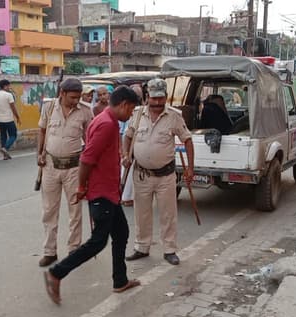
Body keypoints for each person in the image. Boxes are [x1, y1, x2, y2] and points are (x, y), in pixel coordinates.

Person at [42, 86, 142, 305]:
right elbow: (87, 158)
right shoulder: (106, 124)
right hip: (101, 192)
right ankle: (56, 273)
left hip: (109, 192)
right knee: (98, 242)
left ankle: (120, 280)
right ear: (124, 105)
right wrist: (81, 186)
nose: (131, 114)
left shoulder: (105, 119)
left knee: (121, 233)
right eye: (131, 109)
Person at [123, 78, 195, 266]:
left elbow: (187, 140)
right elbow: (127, 136)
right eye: (153, 98)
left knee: (168, 214)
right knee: (142, 213)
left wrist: (190, 168)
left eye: (160, 98)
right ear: (147, 97)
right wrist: (125, 155)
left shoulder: (174, 116)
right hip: (142, 175)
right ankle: (142, 247)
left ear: (166, 97)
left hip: (165, 176)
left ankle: (169, 250)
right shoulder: (137, 114)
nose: (157, 102)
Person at [37, 78, 93, 267]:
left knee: (75, 211)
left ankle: (74, 249)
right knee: (49, 211)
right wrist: (39, 154)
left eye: (78, 97)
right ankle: (49, 251)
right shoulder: (48, 108)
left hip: (74, 167)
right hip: (50, 166)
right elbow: (42, 131)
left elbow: (90, 138)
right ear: (62, 93)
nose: (76, 101)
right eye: (72, 97)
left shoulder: (85, 110)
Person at [120, 84, 145, 207]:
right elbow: (126, 133)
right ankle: (125, 197)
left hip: (135, 146)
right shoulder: (135, 112)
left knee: (130, 173)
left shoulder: (140, 109)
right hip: (129, 146)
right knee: (127, 172)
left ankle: (126, 196)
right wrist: (125, 152)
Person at [0, 79, 21, 160]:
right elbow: (13, 108)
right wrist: (17, 117)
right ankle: (5, 148)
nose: (9, 87)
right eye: (8, 86)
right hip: (9, 119)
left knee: (3, 136)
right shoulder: (9, 95)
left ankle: (5, 155)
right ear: (5, 86)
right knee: (13, 135)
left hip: (0, 119)